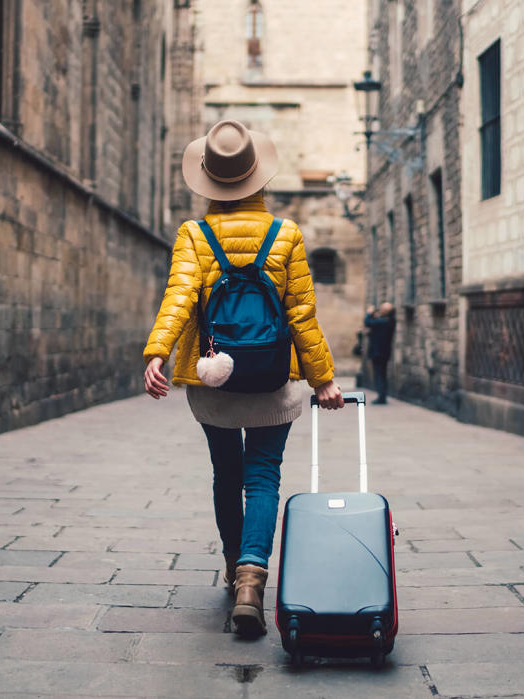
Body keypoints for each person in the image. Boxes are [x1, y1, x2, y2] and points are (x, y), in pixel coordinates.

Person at [142, 120, 343, 638]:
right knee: (264, 474)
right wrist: (322, 379)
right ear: (259, 179)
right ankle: (255, 577)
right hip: (275, 380)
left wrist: (158, 352)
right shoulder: (287, 235)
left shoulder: (193, 235)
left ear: (209, 180)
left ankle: (234, 571)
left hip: (214, 380)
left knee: (226, 473)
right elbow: (301, 313)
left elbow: (180, 298)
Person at [364, 302, 396, 404]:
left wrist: (369, 313)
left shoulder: (384, 322)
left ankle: (381, 397)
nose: (380, 310)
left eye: (382, 309)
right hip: (383, 352)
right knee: (381, 374)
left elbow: (368, 322)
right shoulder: (389, 321)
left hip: (378, 352)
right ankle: (382, 396)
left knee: (379, 374)